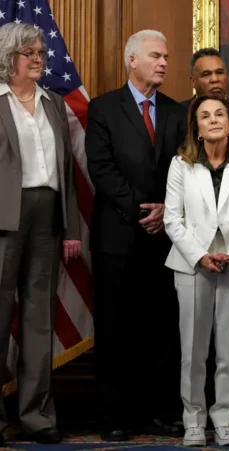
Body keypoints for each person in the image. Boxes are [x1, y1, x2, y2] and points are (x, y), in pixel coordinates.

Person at [85, 29, 187, 441]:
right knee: (114, 326)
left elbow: (185, 169)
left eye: (166, 56)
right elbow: (101, 168)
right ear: (132, 60)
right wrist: (140, 209)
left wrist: (167, 209)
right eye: (155, 56)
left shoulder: (179, 113)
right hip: (118, 236)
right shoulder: (103, 108)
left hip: (166, 236)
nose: (163, 62)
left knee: (161, 326)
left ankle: (157, 411)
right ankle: (114, 415)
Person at [164, 95, 229, 447]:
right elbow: (172, 220)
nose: (212, 120)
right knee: (193, 350)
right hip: (193, 265)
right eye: (204, 116)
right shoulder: (181, 164)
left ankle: (225, 419)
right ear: (195, 125)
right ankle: (193, 421)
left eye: (219, 114)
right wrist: (200, 255)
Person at [0, 22, 82, 445]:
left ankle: (36, 416)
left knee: (38, 319)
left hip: (47, 215)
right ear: (8, 56)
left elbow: (66, 170)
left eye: (42, 53)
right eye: (29, 52)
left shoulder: (52, 102)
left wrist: (69, 226)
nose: (38, 59)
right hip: (3, 220)